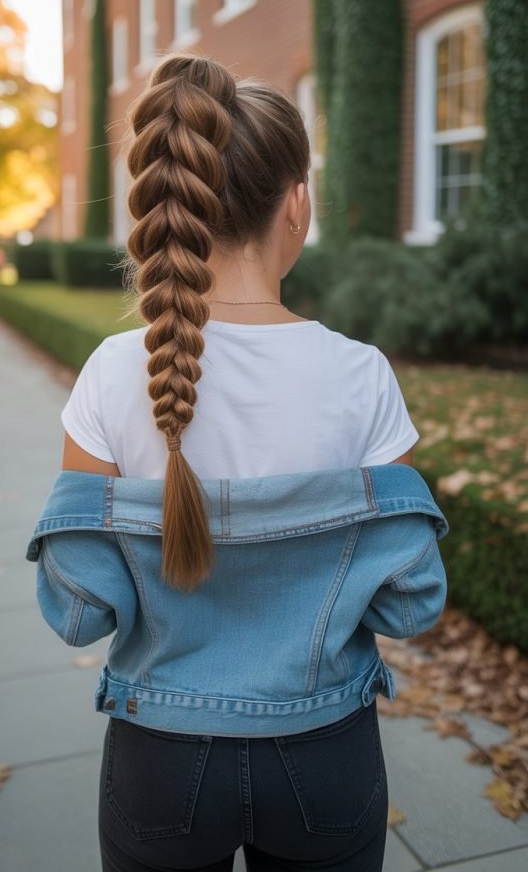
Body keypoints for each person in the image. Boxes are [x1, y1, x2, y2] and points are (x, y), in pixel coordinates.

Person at [32, 52, 448, 872]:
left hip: (160, 762)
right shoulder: (361, 373)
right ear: (297, 202)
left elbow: (80, 610)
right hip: (327, 753)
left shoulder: (113, 373)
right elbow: (411, 602)